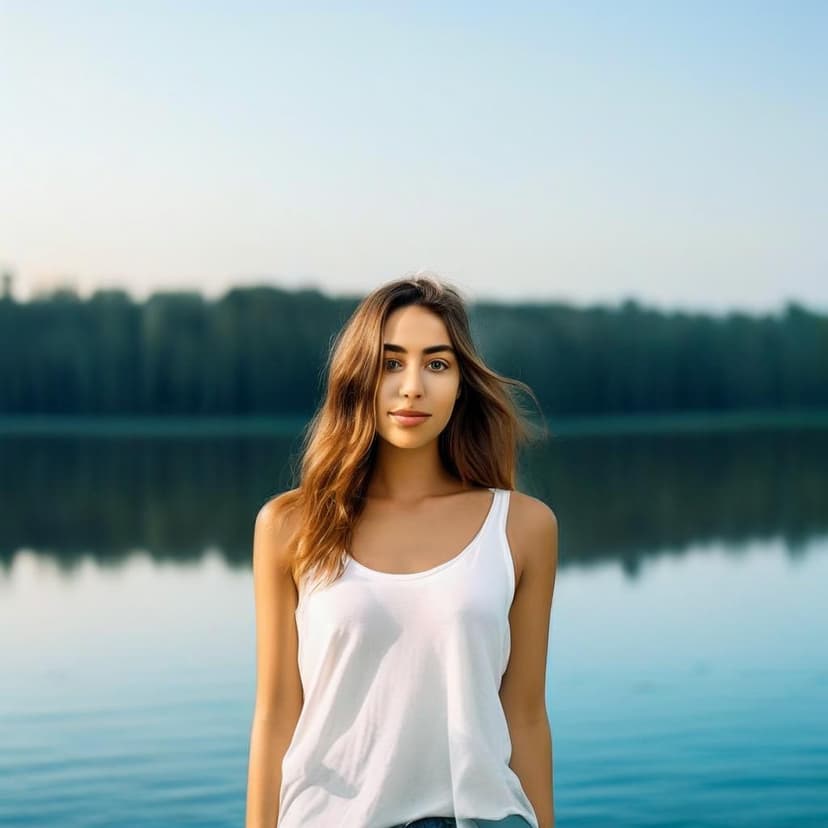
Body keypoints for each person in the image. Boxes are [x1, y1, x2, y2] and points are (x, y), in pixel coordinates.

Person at [245, 274, 558, 828]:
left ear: (461, 384)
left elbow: (527, 716)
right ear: (358, 377)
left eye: (436, 364)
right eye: (391, 363)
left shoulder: (522, 527)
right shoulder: (290, 526)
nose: (412, 386)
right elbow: (275, 717)